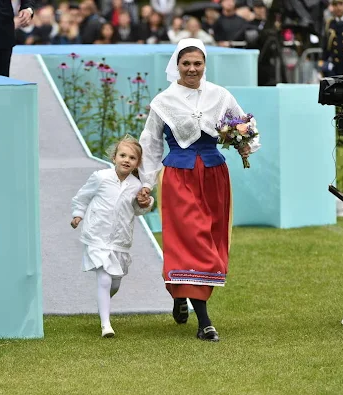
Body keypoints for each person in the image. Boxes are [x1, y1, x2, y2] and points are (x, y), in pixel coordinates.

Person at [138, 38, 260, 342]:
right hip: (179, 176)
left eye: (197, 63)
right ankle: (204, 321)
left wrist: (244, 143)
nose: (192, 69)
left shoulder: (220, 95)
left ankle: (181, 293)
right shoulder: (164, 101)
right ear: (176, 66)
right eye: (186, 63)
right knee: (192, 239)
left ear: (204, 64)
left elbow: (244, 125)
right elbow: (151, 143)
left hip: (214, 175)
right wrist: (145, 182)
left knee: (212, 237)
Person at [71, 136, 154, 338]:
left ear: (137, 163)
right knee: (105, 279)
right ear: (114, 157)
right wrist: (78, 214)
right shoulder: (101, 177)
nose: (126, 160)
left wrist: (145, 202)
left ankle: (103, 303)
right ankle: (106, 325)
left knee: (114, 283)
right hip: (97, 236)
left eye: (132, 157)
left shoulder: (136, 186)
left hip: (120, 240)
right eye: (122, 155)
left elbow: (137, 210)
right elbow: (83, 196)